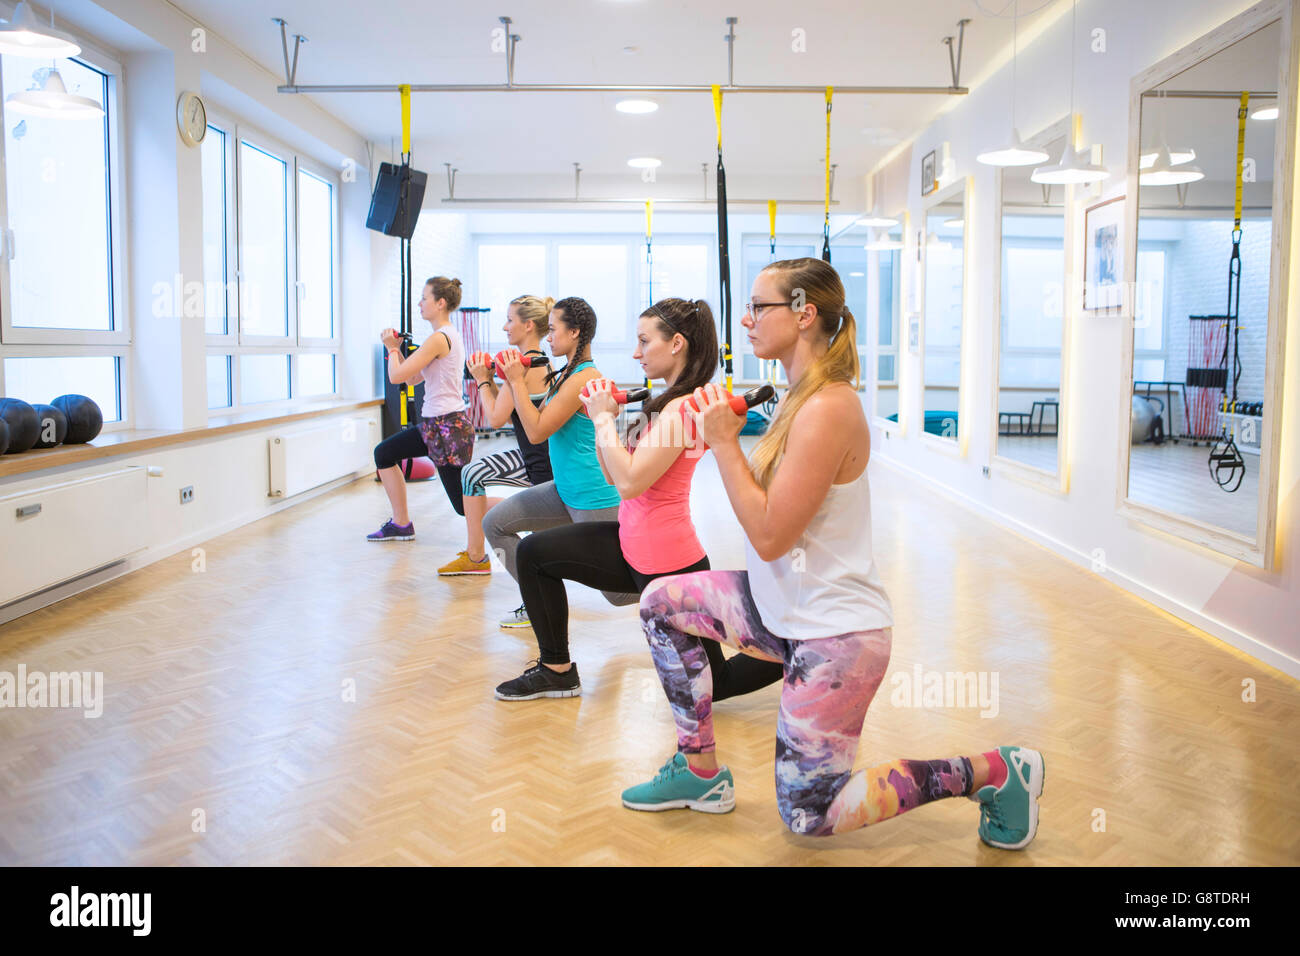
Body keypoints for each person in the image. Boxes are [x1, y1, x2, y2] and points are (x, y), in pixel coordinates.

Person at [621, 258, 1045, 851]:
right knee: (661, 603)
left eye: (758, 306)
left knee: (809, 815)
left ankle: (996, 772)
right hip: (779, 610)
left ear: (804, 314)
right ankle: (698, 770)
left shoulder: (828, 408)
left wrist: (723, 445)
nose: (745, 319)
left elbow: (770, 535)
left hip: (835, 636)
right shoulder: (799, 397)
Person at [493, 298, 785, 702]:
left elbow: (629, 483)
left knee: (712, 686)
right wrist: (604, 423)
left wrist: (601, 418)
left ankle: (799, 650)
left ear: (677, 343)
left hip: (667, 563)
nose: (636, 352)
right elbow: (615, 473)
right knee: (533, 555)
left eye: (645, 342)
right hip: (631, 545)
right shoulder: (666, 402)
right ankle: (556, 670)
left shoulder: (682, 408)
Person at [484, 297, 636, 627]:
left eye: (553, 330)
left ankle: (681, 585)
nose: (548, 337)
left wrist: (514, 381)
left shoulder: (583, 378)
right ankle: (539, 602)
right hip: (563, 491)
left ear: (576, 332)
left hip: (591, 495)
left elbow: (536, 430)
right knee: (494, 524)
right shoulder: (566, 372)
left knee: (618, 594)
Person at [437, 295, 555, 575]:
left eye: (509, 320)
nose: (505, 327)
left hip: (537, 464)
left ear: (527, 326)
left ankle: (476, 558)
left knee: (470, 474)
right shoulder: (541, 361)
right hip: (540, 455)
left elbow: (494, 418)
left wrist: (481, 379)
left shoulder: (522, 368)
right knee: (472, 477)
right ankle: (477, 553)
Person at [367, 277, 474, 541]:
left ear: (440, 303)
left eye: (424, 298)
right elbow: (411, 378)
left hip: (444, 426)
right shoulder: (444, 336)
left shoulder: (439, 338)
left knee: (463, 506)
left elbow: (394, 377)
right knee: (384, 454)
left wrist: (392, 348)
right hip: (437, 425)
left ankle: (516, 513)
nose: (419, 303)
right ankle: (401, 523)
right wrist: (398, 352)